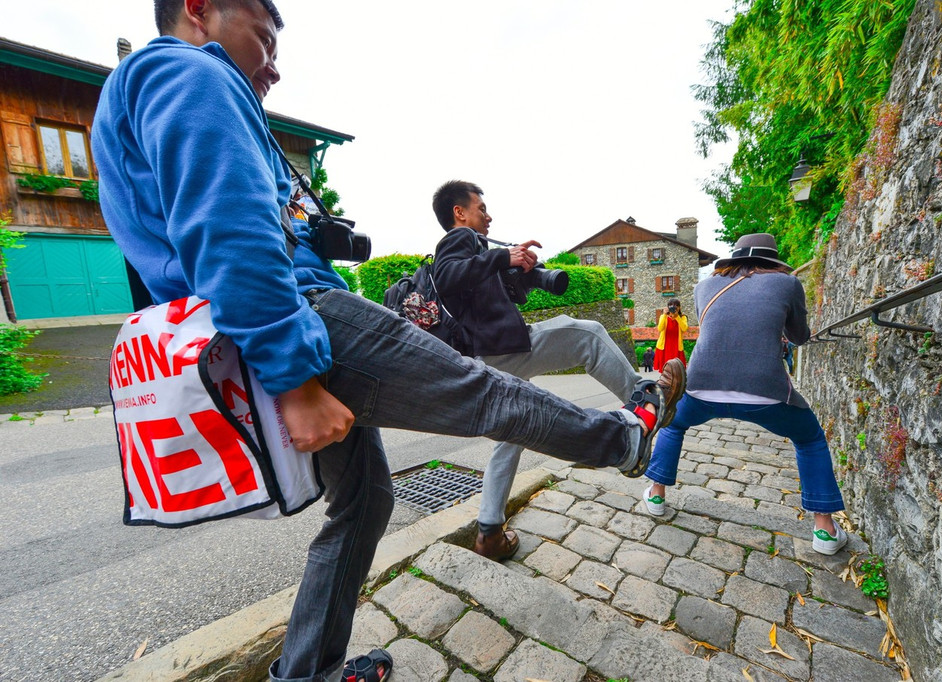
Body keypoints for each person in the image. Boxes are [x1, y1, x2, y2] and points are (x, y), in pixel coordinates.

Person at [91, 3, 685, 680]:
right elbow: (226, 229)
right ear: (199, 8)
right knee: (484, 394)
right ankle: (628, 439)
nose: (274, 66)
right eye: (264, 37)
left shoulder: (137, 95)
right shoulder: (186, 70)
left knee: (366, 500)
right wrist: (295, 379)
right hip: (302, 315)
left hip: (267, 319)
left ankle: (309, 670)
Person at [429, 180, 683, 561]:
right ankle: (647, 401)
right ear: (459, 213)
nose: (489, 215)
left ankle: (489, 532)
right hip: (500, 349)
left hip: (486, 354)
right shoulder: (459, 240)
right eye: (481, 208)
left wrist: (522, 271)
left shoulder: (477, 251)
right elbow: (447, 276)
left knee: (509, 434)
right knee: (589, 335)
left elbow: (489, 294)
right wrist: (503, 258)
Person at [642, 233, 848, 556]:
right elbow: (799, 336)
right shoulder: (788, 284)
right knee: (809, 438)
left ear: (734, 258)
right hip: (765, 391)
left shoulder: (704, 287)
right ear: (772, 260)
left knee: (674, 422)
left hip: (701, 385)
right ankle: (824, 529)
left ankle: (656, 495)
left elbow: (717, 325)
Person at [654, 298, 688, 370]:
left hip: (676, 346)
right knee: (665, 368)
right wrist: (664, 315)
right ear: (668, 307)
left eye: (676, 306)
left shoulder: (682, 317)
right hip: (665, 346)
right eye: (671, 306)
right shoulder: (664, 317)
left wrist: (677, 317)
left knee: (677, 368)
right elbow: (660, 328)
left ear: (679, 307)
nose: (674, 307)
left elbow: (684, 328)